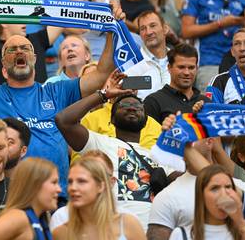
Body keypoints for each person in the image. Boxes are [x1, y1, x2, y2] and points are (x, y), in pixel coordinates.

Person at [0, 2, 122, 199]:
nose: (19, 51)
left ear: (35, 59)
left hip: (58, 198)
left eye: (25, 48)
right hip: (10, 197)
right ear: (3, 66)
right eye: (12, 50)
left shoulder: (57, 91)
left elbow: (101, 74)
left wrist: (111, 30)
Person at [55, 70, 171, 229]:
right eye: (125, 105)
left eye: (137, 106)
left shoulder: (159, 156)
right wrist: (104, 95)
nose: (132, 108)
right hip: (109, 231)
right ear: (112, 119)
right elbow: (63, 121)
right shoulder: (98, 144)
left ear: (146, 121)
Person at [181, 0, 245, 90]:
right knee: (212, 106)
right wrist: (221, 24)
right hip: (209, 62)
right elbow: (186, 31)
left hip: (238, 63)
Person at [53, 157, 145, 240]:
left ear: (101, 186)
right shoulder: (60, 233)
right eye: (70, 182)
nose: (73, 187)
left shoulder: (128, 224)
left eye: (81, 181)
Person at [0, 157, 61, 240]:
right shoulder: (19, 217)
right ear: (35, 185)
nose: (59, 189)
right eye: (54, 182)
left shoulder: (40, 219)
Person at [168, 164, 245, 240]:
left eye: (228, 187)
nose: (223, 194)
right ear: (201, 195)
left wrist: (240, 222)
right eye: (215, 188)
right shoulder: (181, 235)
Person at [144, 44, 210, 123]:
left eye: (191, 68)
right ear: (169, 68)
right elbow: (148, 134)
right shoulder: (153, 101)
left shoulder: (206, 103)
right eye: (181, 67)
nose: (186, 72)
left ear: (197, 69)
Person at [122, 10, 172, 100]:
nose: (148, 32)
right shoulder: (131, 64)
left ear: (165, 29)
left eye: (153, 26)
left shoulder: (178, 59)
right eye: (143, 28)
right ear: (140, 34)